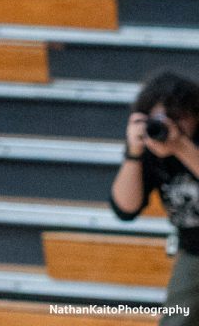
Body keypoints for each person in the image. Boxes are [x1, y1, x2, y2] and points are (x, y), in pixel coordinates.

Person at [111, 70, 199, 326]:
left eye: (178, 117)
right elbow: (125, 209)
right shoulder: (152, 146)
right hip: (195, 250)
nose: (171, 126)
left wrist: (181, 147)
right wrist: (134, 153)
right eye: (163, 118)